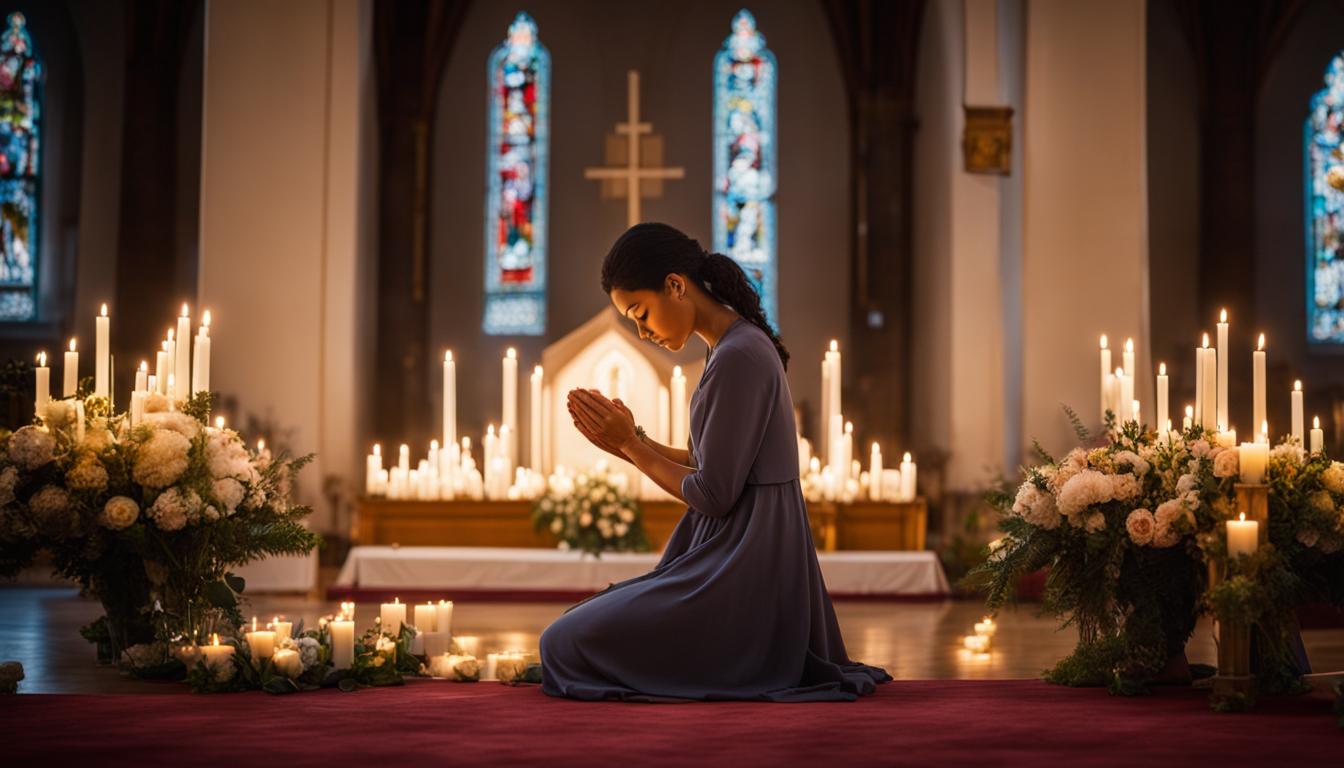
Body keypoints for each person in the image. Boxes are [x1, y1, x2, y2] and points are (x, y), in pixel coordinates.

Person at [538, 222, 890, 701]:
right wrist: (629, 438)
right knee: (578, 623)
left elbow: (714, 493)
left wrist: (632, 447)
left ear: (676, 286)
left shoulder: (738, 356)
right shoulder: (729, 347)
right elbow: (710, 459)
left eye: (641, 314)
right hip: (731, 551)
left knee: (562, 642)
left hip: (742, 564)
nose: (642, 332)